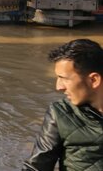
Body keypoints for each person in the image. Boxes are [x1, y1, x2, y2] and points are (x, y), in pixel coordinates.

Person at [23, 39, 103, 171]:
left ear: (93, 80)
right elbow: (36, 167)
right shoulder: (60, 113)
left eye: (64, 78)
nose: (58, 87)